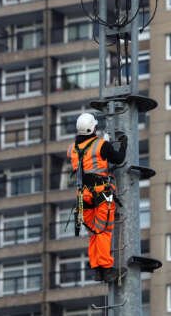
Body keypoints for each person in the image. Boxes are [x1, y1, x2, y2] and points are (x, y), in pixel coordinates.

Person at [67, 112, 127, 282]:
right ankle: (107, 269)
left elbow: (87, 159)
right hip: (101, 192)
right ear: (93, 127)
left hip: (82, 196)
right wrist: (123, 145)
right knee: (103, 231)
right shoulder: (101, 145)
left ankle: (97, 269)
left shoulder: (72, 148)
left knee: (94, 232)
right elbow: (118, 159)